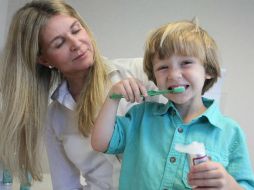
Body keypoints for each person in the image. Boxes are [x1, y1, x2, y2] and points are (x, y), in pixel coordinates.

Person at [0, 0, 160, 189]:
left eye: (76, 30)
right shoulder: (54, 119)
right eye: (59, 43)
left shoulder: (142, 73)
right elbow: (65, 185)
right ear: (43, 59)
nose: (76, 44)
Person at [91, 20, 254, 189]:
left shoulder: (230, 132)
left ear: (209, 71)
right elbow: (100, 142)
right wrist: (113, 97)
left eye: (186, 63)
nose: (174, 75)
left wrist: (228, 185)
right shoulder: (140, 116)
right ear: (154, 78)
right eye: (163, 67)